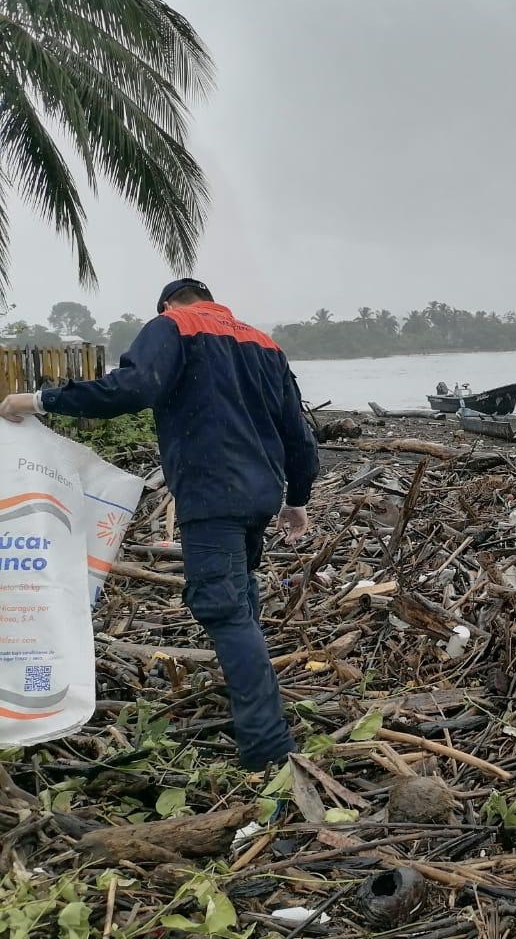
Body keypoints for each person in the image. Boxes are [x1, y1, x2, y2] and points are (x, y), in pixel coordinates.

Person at [0, 278, 319, 770]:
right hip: (260, 493)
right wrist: (297, 497)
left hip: (212, 492)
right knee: (241, 592)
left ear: (168, 303)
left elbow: (132, 387)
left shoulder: (172, 325)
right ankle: (254, 698)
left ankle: (267, 744)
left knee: (222, 607)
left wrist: (37, 401)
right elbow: (297, 431)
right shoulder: (263, 341)